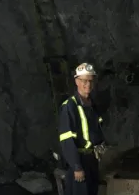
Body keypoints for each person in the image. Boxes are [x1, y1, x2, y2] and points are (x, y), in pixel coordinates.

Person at [58, 63, 106, 195]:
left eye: (91, 80)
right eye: (84, 81)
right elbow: (67, 139)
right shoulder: (69, 107)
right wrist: (76, 166)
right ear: (76, 81)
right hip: (79, 161)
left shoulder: (93, 106)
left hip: (92, 160)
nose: (88, 85)